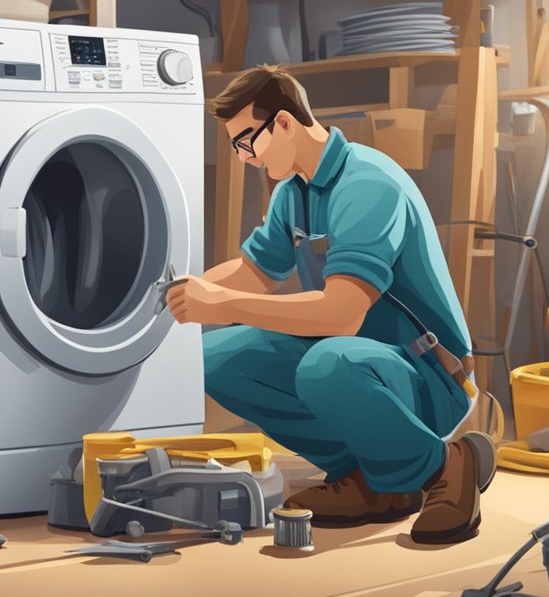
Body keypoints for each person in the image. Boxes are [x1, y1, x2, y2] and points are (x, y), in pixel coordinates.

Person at [164, 64, 495, 545]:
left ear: (283, 123)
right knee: (215, 357)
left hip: (429, 375)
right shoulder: (291, 193)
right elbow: (252, 274)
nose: (242, 158)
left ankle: (444, 464)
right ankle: (372, 480)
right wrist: (177, 295)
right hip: (355, 361)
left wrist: (225, 305)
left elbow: (341, 315)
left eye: (245, 141)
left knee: (326, 362)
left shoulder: (368, 184)